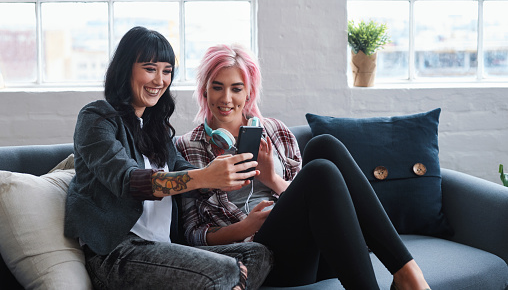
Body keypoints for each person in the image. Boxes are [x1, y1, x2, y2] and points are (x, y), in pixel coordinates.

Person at [175, 43, 432, 290]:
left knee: (324, 145)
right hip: (264, 257)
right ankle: (406, 278)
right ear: (205, 90)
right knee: (320, 170)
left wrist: (272, 178)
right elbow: (191, 234)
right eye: (217, 87)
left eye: (236, 89)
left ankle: (407, 272)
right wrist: (245, 227)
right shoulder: (187, 147)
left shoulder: (277, 132)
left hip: (316, 248)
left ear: (249, 92)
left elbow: (314, 197)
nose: (226, 98)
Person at [64, 27, 273, 290]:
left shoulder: (155, 129)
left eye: (167, 71)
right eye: (150, 69)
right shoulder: (96, 118)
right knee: (225, 269)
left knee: (257, 254)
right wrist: (203, 176)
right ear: (125, 68)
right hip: (117, 255)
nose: (160, 80)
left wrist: (218, 177)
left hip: (164, 249)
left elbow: (182, 169)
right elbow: (129, 181)